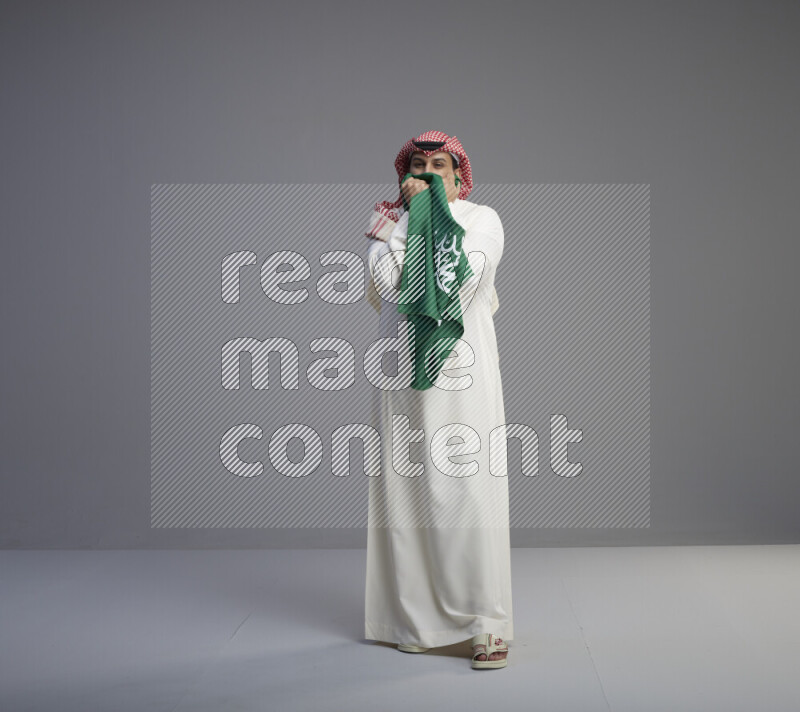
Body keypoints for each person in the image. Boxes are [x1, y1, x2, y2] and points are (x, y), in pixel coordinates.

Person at [363, 130, 513, 670]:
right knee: (404, 491)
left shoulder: (483, 220)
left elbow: (458, 284)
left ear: (458, 175)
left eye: (440, 166)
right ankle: (417, 622)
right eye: (418, 166)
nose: (427, 174)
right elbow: (394, 287)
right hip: (399, 371)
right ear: (404, 177)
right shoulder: (387, 222)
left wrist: (416, 224)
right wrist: (408, 221)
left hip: (461, 369)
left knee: (468, 489)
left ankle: (485, 624)